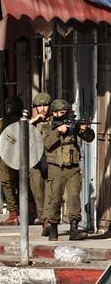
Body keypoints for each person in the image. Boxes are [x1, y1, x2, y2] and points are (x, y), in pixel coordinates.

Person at [42, 98, 95, 241]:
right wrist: (58, 131)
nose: (64, 114)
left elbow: (89, 138)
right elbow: (46, 143)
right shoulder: (48, 125)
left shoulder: (72, 124)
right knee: (55, 199)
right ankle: (53, 228)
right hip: (56, 168)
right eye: (61, 112)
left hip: (73, 168)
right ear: (54, 113)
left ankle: (74, 229)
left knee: (74, 197)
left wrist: (85, 130)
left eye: (66, 112)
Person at [0, 96, 24, 226]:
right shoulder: (25, 121)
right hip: (24, 159)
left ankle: (13, 215)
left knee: (7, 185)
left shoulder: (3, 122)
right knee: (24, 185)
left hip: (8, 158)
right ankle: (28, 212)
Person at [28, 92, 51, 224]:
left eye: (45, 105)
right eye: (39, 106)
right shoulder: (30, 123)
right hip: (35, 162)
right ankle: (44, 219)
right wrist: (34, 121)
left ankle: (49, 219)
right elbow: (17, 134)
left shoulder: (53, 121)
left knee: (51, 192)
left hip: (50, 160)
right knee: (38, 192)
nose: (42, 109)